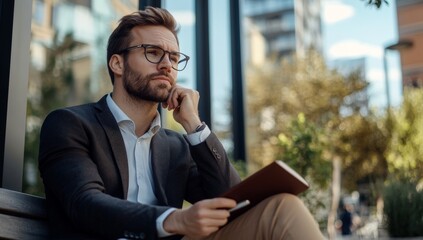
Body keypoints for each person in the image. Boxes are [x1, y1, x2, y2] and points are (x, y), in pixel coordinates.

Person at [38, 6, 325, 240]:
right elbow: (84, 204)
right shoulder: (69, 124)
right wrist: (174, 220)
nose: (166, 65)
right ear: (118, 64)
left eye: (174, 58)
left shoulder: (174, 145)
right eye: (153, 52)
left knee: (282, 208)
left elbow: (231, 202)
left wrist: (195, 127)